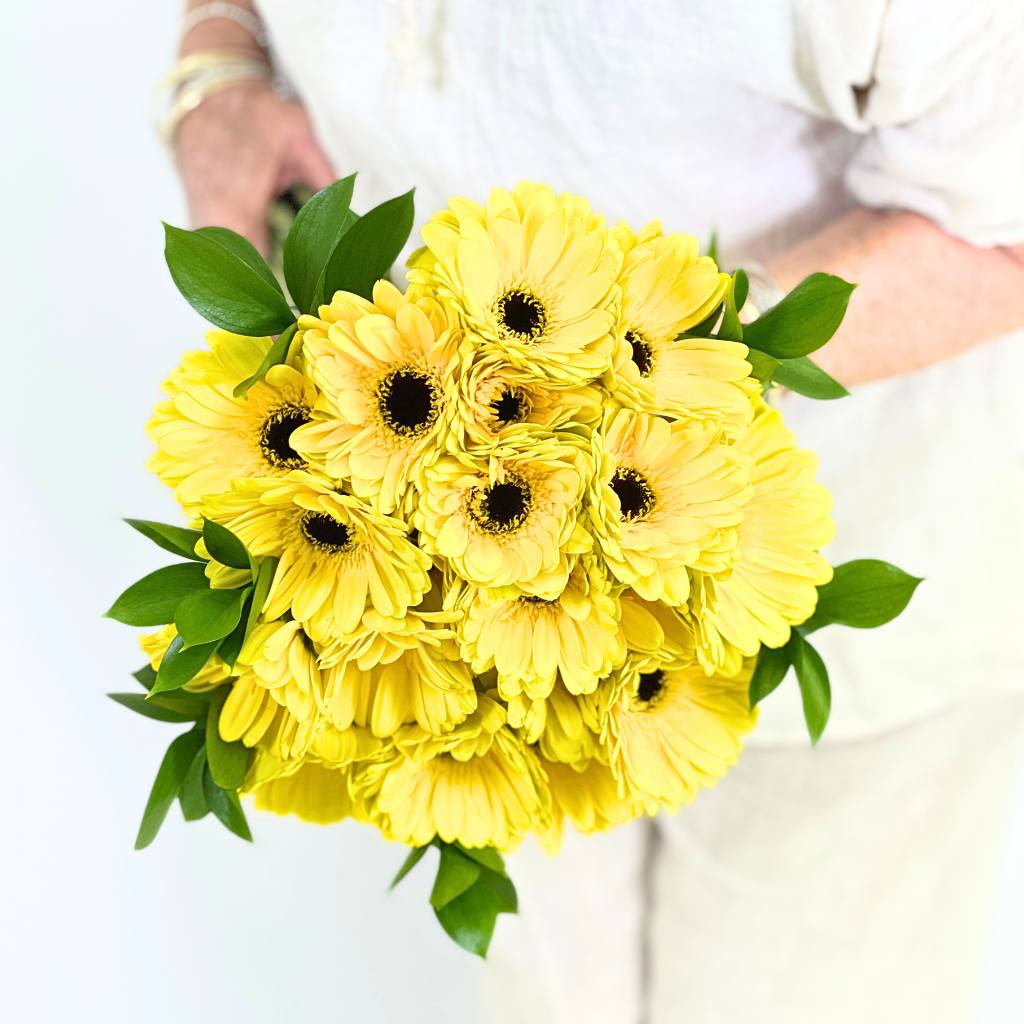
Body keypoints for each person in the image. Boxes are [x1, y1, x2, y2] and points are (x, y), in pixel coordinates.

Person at [168, 2, 1024, 1021]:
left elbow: (1004, 223)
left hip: (848, 558)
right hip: (448, 599)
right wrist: (214, 64)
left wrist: (652, 381)